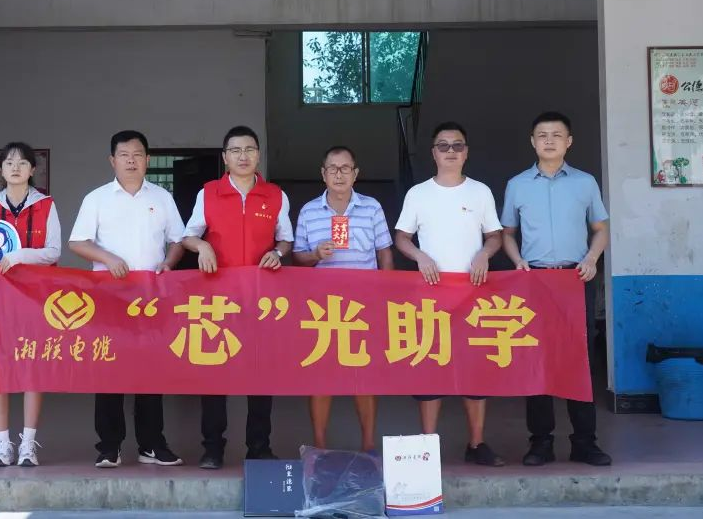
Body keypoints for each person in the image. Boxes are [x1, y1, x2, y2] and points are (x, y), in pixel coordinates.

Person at [500, 111, 612, 467]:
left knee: (580, 361)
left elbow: (601, 229)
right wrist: (517, 260)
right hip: (534, 280)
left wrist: (592, 258)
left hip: (575, 280)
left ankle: (585, 443)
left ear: (569, 141)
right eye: (542, 135)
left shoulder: (585, 183)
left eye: (557, 135)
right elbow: (507, 233)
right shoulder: (517, 185)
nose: (549, 140)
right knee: (537, 362)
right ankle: (541, 443)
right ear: (532, 141)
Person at [69, 130, 186, 469]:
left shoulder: (162, 198)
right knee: (109, 371)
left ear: (148, 160)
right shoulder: (97, 199)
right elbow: (78, 242)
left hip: (151, 298)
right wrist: (107, 258)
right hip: (110, 297)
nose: (131, 161)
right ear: (112, 161)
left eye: (137, 155)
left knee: (151, 371)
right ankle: (109, 446)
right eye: (124, 155)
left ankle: (152, 444)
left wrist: (169, 263)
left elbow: (178, 240)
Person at [394, 122, 505, 468]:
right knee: (430, 369)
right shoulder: (418, 194)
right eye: (443, 145)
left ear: (466, 152)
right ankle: (428, 445)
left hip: (473, 296)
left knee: (475, 370)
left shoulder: (480, 192)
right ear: (433, 153)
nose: (451, 151)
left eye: (457, 145)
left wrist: (485, 253)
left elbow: (495, 235)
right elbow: (401, 237)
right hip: (430, 296)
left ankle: (477, 443)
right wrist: (420, 256)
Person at [182, 125, 293, 469]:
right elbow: (188, 235)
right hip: (217, 298)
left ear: (258, 155)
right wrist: (202, 246)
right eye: (235, 150)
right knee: (215, 373)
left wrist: (277, 252)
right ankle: (212, 448)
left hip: (261, 300)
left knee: (261, 373)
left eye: (249, 149)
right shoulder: (208, 193)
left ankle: (259, 446)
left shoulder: (275, 195)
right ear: (225, 157)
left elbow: (286, 239)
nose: (243, 156)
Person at [293, 145, 393, 453]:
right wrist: (315, 254)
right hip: (322, 308)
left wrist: (386, 295)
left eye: (345, 168)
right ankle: (320, 447)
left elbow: (384, 253)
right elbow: (297, 258)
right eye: (333, 169)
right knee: (321, 377)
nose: (339, 174)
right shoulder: (309, 211)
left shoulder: (372, 207)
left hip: (364, 307)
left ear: (355, 173)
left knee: (363, 376)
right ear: (323, 174)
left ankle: (368, 445)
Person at [0, 142, 61, 468]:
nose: (15, 167)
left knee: (32, 366)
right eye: (9, 162)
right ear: (1, 169)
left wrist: (18, 256)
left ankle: (28, 443)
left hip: (35, 298)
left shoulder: (46, 205)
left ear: (32, 170)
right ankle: (2, 443)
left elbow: (53, 251)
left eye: (22, 163)